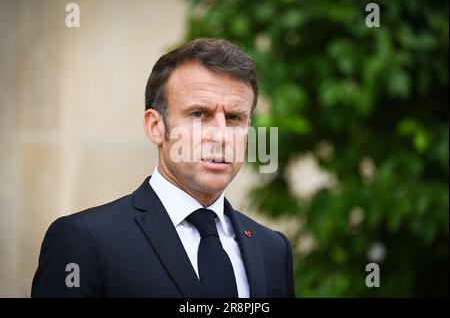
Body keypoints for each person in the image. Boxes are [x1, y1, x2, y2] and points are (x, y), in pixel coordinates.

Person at [31, 38, 296, 298]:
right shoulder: (84, 240)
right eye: (199, 114)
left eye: (234, 118)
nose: (221, 135)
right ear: (155, 127)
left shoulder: (273, 249)